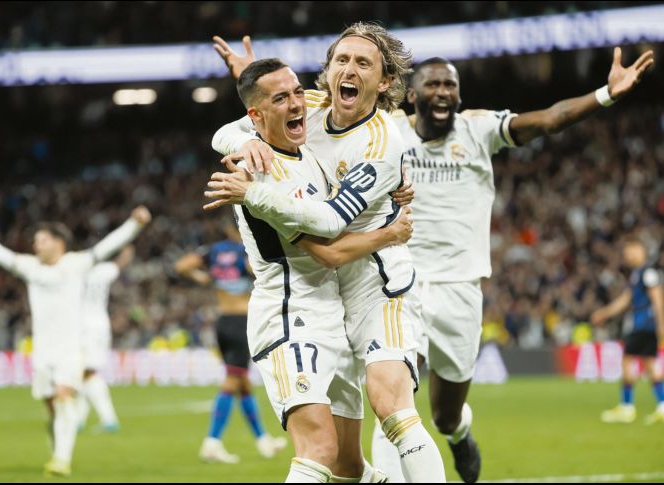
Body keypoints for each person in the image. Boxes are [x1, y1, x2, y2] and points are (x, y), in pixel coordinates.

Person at [370, 47, 655, 483]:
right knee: (393, 402)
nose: (443, 91)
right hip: (402, 286)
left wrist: (605, 94)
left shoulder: (478, 129)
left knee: (445, 415)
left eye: (450, 85)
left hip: (461, 289)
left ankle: (459, 432)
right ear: (412, 95)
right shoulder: (388, 133)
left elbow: (550, 119)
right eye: (433, 84)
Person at [208, 23, 445, 482]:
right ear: (328, 69)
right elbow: (228, 131)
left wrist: (387, 235)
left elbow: (331, 225)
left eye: (363, 63)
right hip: (323, 296)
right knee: (344, 463)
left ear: (385, 82)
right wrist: (248, 137)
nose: (349, 70)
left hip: (376, 285)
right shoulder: (311, 107)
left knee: (392, 407)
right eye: (341, 60)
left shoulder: (381, 142)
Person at [0, 206, 150, 477]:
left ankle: (61, 460)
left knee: (63, 398)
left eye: (42, 240)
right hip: (42, 350)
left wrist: (135, 224)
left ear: (59, 243)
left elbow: (107, 246)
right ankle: (58, 445)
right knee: (52, 407)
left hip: (71, 347)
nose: (36, 245)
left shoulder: (76, 263)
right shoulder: (30, 267)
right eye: (36, 241)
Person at [175, 218, 287, 464]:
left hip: (222, 321)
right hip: (242, 322)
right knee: (232, 382)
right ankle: (212, 442)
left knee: (243, 384)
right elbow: (260, 272)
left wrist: (206, 278)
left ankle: (263, 440)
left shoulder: (213, 251)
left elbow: (182, 266)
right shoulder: (248, 250)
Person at [591, 236, 664, 424]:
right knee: (649, 365)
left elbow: (657, 299)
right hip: (645, 325)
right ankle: (662, 406)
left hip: (644, 325)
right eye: (627, 252)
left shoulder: (647, 273)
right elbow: (625, 300)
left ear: (641, 250)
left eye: (632, 250)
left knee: (627, 361)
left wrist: (661, 325)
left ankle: (626, 407)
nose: (629, 255)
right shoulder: (637, 274)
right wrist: (605, 313)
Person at [76, 245, 136, 434]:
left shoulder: (74, 273)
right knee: (81, 372)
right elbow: (122, 261)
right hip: (101, 324)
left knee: (88, 372)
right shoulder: (103, 270)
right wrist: (127, 245)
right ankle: (78, 419)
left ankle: (109, 420)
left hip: (84, 326)